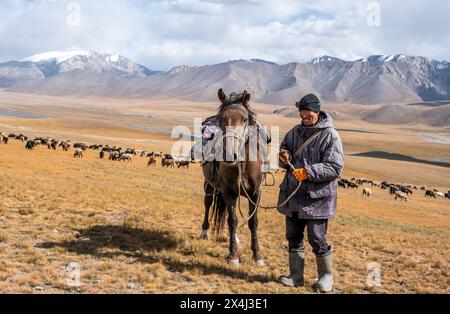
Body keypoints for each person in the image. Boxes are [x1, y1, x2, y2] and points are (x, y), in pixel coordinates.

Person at [277, 93, 344, 292]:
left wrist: (308, 172)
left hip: (317, 198)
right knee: (293, 236)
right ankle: (296, 276)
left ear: (317, 112)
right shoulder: (294, 132)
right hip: (294, 195)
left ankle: (326, 277)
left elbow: (335, 167)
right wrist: (283, 156)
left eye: (308, 116)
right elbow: (283, 154)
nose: (304, 119)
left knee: (317, 238)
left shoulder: (330, 136)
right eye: (302, 116)